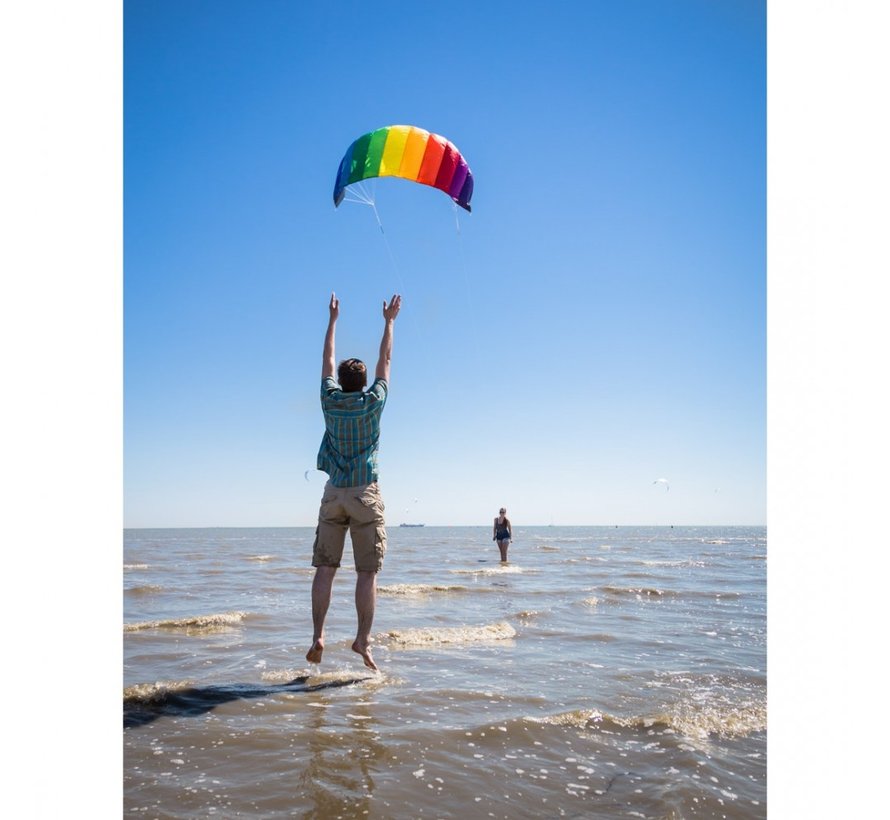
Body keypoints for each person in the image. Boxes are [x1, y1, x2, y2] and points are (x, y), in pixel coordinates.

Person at [306, 291, 401, 672]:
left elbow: (327, 360)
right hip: (365, 492)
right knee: (367, 572)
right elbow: (387, 361)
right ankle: (362, 640)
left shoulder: (329, 399)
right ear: (362, 383)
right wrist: (389, 322)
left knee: (325, 568)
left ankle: (318, 636)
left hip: (334, 494)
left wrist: (332, 320)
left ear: (341, 381)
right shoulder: (372, 402)